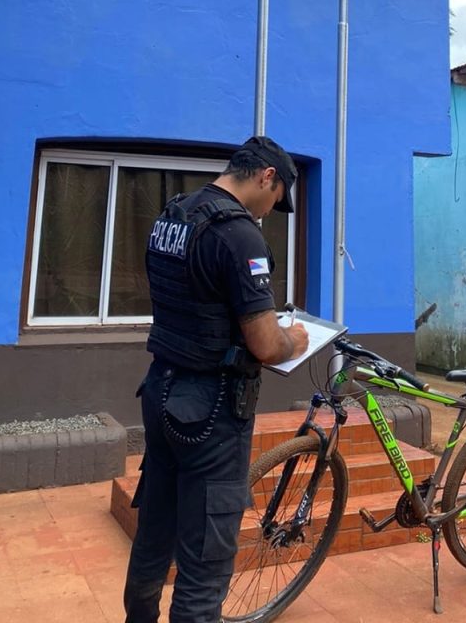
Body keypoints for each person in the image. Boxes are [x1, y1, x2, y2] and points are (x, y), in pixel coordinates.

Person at [123, 135, 310, 623]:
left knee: (155, 532)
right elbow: (266, 345)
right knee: (205, 561)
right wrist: (295, 340)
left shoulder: (174, 215)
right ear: (267, 176)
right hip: (210, 409)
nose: (271, 211)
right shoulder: (238, 233)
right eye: (275, 199)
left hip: (160, 388)